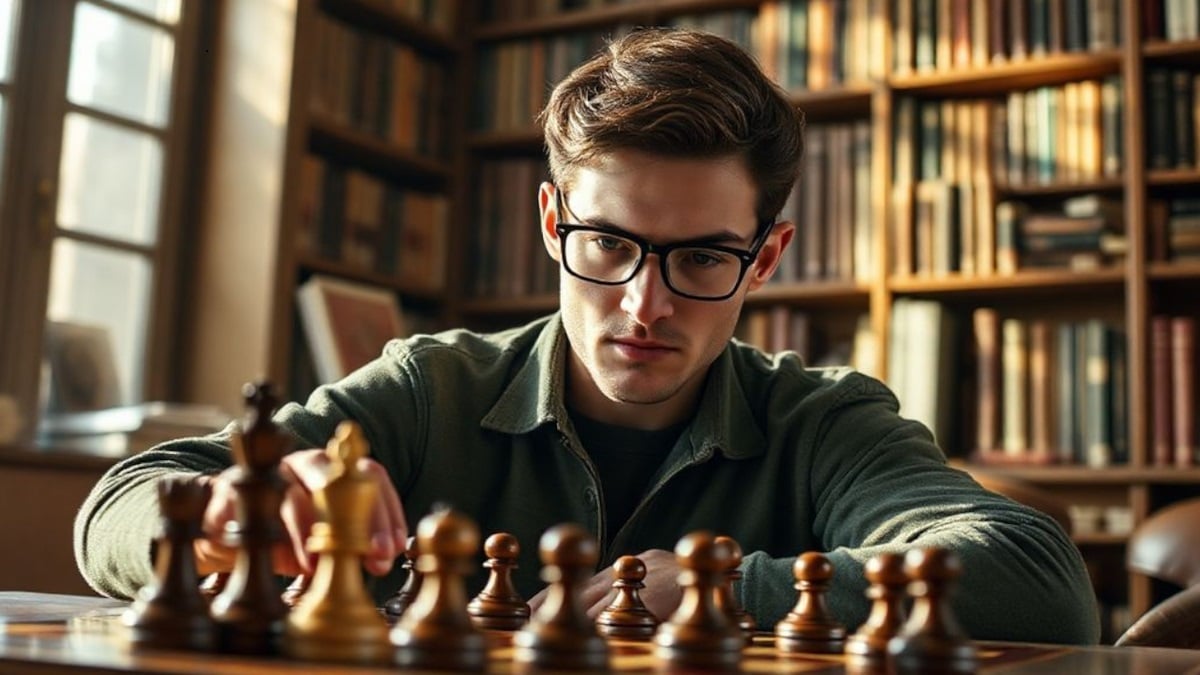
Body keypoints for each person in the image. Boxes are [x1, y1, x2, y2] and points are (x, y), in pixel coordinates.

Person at [74, 27, 1099, 644]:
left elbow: (1042, 588)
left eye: (702, 258)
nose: (645, 307)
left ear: (770, 253)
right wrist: (222, 507)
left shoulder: (824, 422)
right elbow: (114, 511)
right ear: (552, 225)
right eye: (608, 244)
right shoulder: (431, 386)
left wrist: (723, 586)